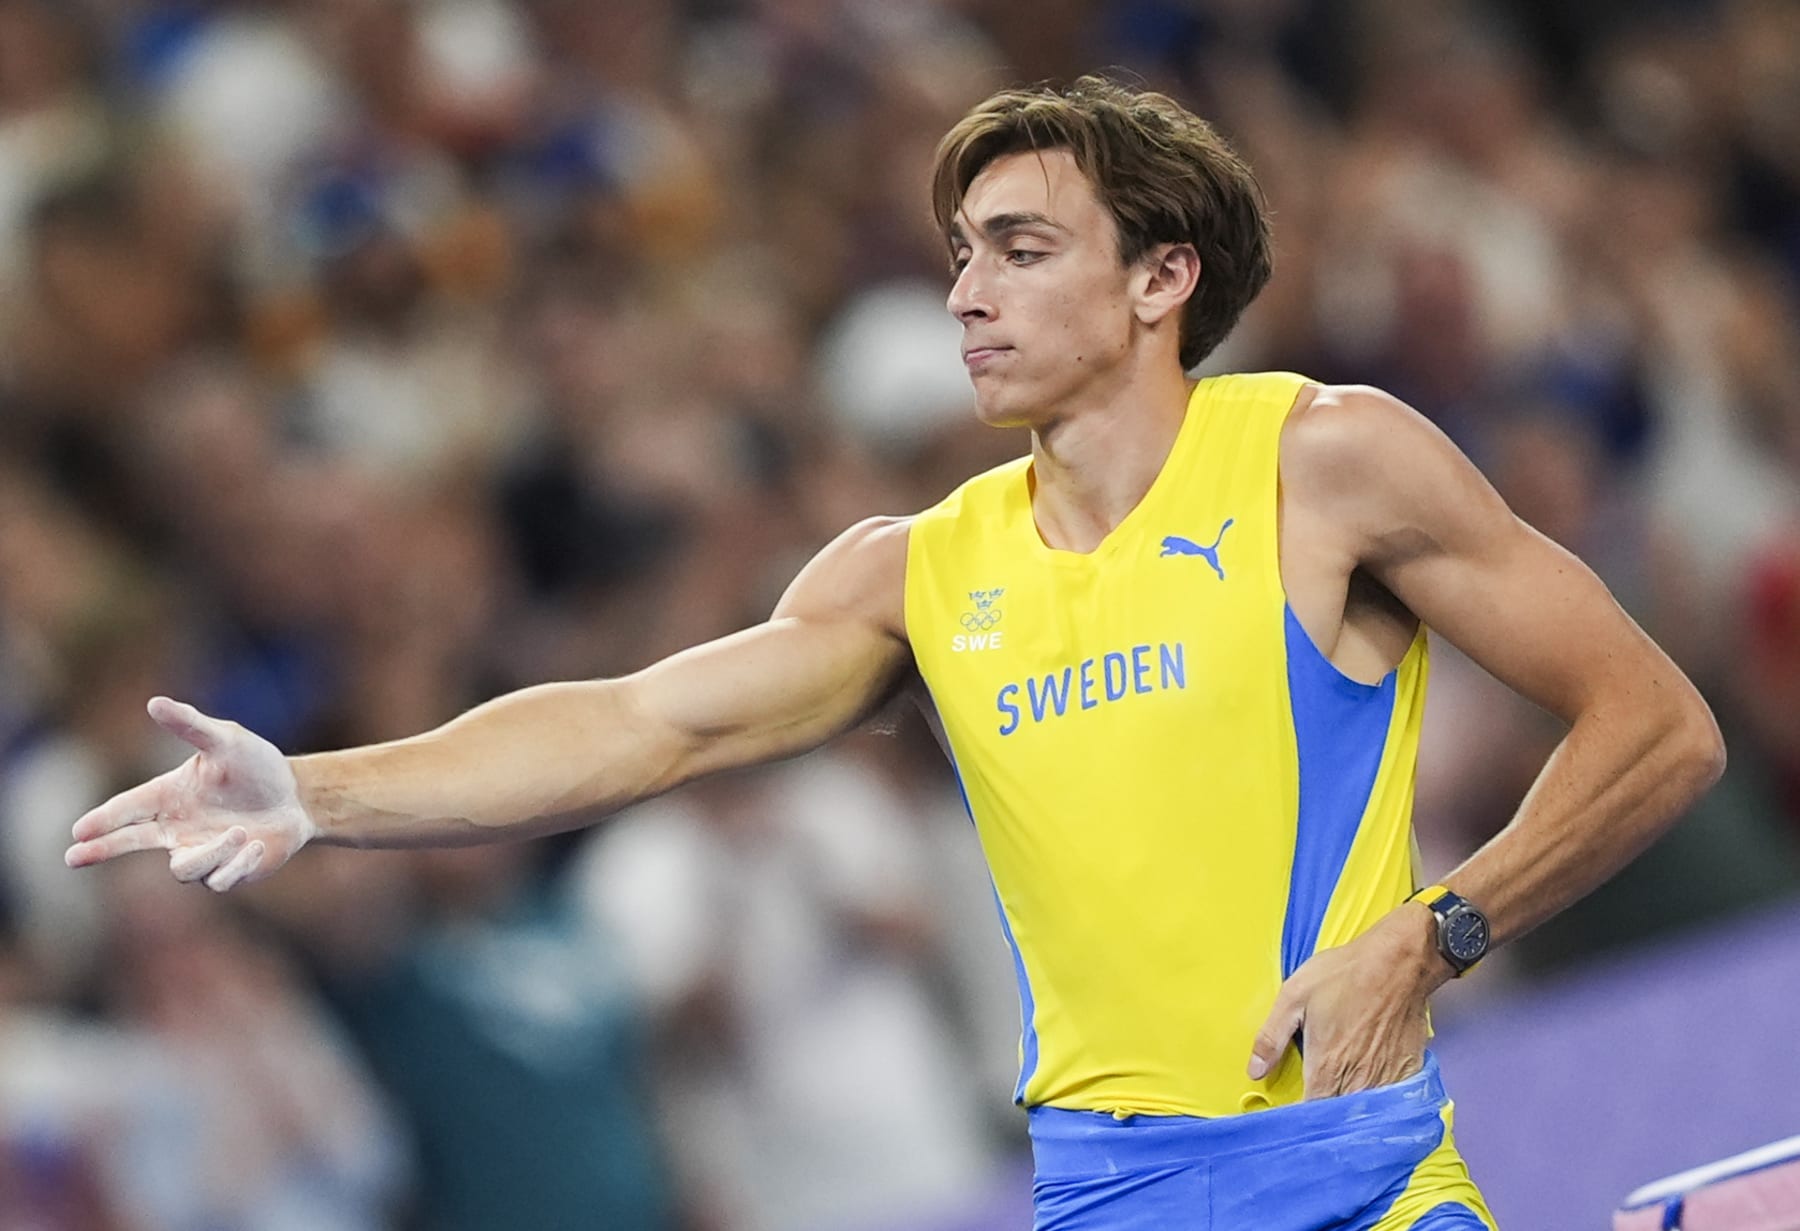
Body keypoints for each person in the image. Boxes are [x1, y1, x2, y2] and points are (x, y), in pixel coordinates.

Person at [66, 76, 1725, 1230]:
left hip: (1359, 1179)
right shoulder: (917, 573)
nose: (965, 294)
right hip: (1106, 1195)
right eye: (956, 255)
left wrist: (1437, 934)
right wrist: (321, 791)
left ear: (1164, 277)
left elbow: (1658, 725)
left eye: (1019, 248)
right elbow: (641, 722)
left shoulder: (1323, 458)